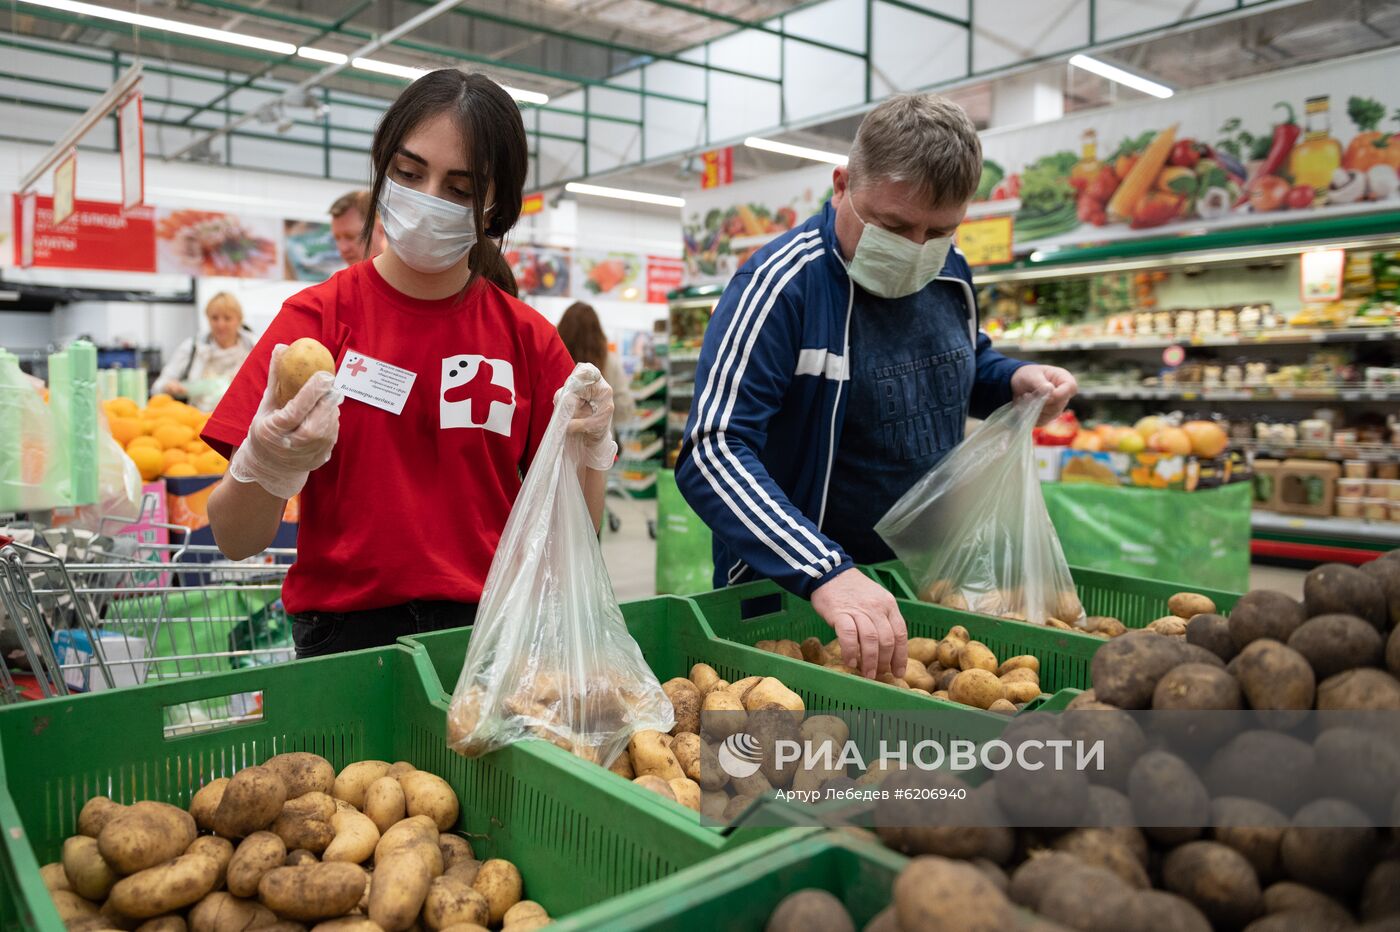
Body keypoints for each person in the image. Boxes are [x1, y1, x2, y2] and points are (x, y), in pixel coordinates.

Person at [201, 70, 617, 658]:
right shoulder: (315, 321)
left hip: (487, 643)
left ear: (496, 207)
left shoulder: (528, 341)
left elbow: (579, 539)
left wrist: (593, 452)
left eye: (460, 188)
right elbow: (235, 539)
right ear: (382, 166)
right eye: (409, 172)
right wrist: (267, 463)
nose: (427, 200)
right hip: (343, 645)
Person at [676, 93, 1076, 680]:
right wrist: (825, 572)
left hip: (926, 582)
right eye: (892, 226)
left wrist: (1009, 379)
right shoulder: (782, 289)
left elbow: (957, 360)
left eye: (939, 230)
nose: (916, 251)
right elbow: (711, 452)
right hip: (800, 595)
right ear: (841, 185)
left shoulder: (951, 272)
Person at [150, 291, 255, 412]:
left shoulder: (254, 347)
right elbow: (158, 386)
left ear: (239, 320)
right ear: (208, 319)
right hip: (196, 422)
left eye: (227, 318)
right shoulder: (191, 348)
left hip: (243, 420)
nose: (220, 324)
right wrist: (169, 387)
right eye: (215, 318)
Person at [556, 301, 636, 431]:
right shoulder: (610, 361)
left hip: (559, 438)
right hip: (598, 441)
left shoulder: (557, 358)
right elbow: (625, 407)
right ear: (597, 330)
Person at [328, 190, 387, 265]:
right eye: (337, 238)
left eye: (350, 237)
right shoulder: (339, 276)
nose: (343, 248)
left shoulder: (405, 275)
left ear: (381, 229)